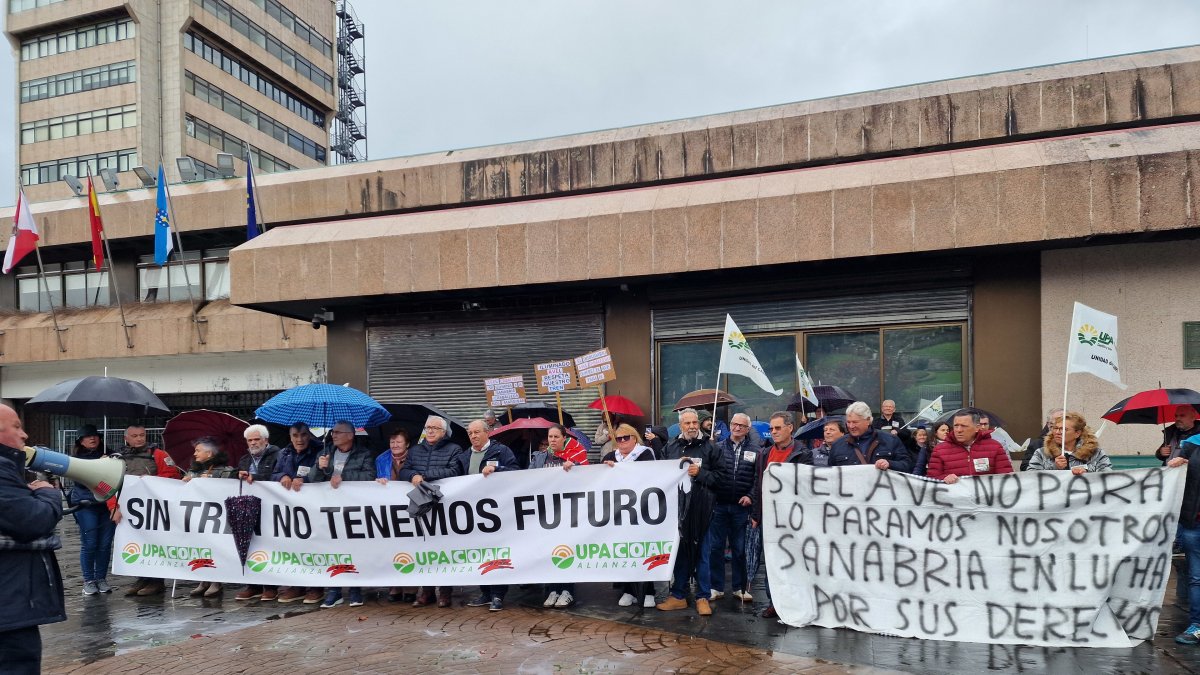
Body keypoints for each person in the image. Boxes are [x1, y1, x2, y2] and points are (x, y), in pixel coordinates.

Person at [0, 404, 65, 674]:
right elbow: (32, 522)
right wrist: (48, 493)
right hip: (9, 606)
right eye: (16, 426)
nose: (24, 434)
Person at [657, 408, 725, 617]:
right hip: (678, 511)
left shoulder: (711, 447)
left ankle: (702, 597)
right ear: (680, 426)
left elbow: (721, 478)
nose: (692, 427)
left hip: (703, 509)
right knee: (680, 555)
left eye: (695, 422)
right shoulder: (670, 447)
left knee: (703, 555)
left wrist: (701, 473)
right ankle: (678, 596)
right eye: (687, 423)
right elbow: (658, 475)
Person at [750, 411, 811, 619]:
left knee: (794, 560)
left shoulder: (803, 452)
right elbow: (758, 485)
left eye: (777, 428)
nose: (773, 432)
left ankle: (795, 600)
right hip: (769, 517)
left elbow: (807, 485)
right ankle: (773, 601)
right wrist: (756, 514)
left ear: (790, 428)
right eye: (771, 429)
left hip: (793, 518)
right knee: (772, 561)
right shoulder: (764, 454)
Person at [400, 416, 466, 608]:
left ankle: (445, 592)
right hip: (420, 506)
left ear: (443, 432)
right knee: (423, 548)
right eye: (427, 427)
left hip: (444, 505)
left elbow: (455, 472)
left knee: (444, 550)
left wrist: (425, 476)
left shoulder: (454, 449)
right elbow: (405, 470)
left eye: (434, 428)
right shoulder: (415, 451)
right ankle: (427, 591)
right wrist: (412, 475)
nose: (429, 431)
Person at [111, 424, 183, 597]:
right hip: (128, 510)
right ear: (126, 438)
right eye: (135, 436)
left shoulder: (158, 455)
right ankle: (142, 578)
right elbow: (108, 485)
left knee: (155, 544)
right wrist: (113, 507)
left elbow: (173, 476)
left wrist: (151, 480)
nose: (139, 439)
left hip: (154, 509)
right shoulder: (116, 458)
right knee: (134, 543)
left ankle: (156, 581)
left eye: (142, 435)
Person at [311, 421, 377, 609]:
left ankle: (355, 589)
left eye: (338, 432)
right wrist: (319, 465)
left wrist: (344, 477)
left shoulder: (363, 453)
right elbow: (313, 480)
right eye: (333, 432)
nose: (334, 435)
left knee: (353, 548)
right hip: (329, 509)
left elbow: (369, 476)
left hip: (352, 509)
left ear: (350, 435)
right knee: (333, 548)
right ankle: (334, 591)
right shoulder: (325, 452)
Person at [459, 420, 519, 612]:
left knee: (496, 552)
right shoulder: (465, 456)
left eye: (477, 432)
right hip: (473, 513)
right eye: (470, 433)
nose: (473, 436)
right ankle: (485, 592)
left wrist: (497, 469)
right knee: (478, 552)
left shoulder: (501, 451)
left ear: (487, 433)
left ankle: (498, 595)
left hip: (496, 512)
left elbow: (517, 473)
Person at [602, 423, 658, 608]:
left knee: (644, 549)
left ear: (635, 438)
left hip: (642, 510)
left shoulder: (646, 454)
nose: (623, 441)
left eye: (627, 437)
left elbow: (650, 476)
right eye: (619, 439)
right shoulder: (611, 456)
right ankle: (628, 590)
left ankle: (649, 591)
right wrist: (607, 469)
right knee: (624, 550)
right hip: (619, 511)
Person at [270, 422, 324, 604]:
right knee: (293, 546)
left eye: (303, 435)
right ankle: (297, 586)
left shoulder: (320, 451)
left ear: (309, 435)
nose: (299, 439)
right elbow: (274, 473)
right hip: (291, 508)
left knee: (313, 546)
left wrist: (305, 479)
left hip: (314, 507)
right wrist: (282, 477)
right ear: (290, 436)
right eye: (295, 435)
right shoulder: (284, 453)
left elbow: (322, 474)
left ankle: (316, 587)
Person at [533, 424, 584, 608]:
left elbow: (587, 478)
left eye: (556, 436)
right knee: (548, 550)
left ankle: (567, 591)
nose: (552, 440)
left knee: (565, 551)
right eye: (550, 437)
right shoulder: (539, 458)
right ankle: (552, 590)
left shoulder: (574, 457)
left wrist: (576, 467)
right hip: (546, 512)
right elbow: (526, 479)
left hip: (567, 512)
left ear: (564, 438)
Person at [707, 413, 756, 604]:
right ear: (730, 425)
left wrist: (750, 496)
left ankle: (740, 588)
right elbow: (711, 475)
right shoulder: (717, 447)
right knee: (715, 548)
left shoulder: (755, 450)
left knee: (740, 549)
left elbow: (757, 478)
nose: (737, 428)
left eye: (742, 426)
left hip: (741, 507)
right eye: (734, 424)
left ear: (747, 429)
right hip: (719, 505)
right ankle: (716, 587)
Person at [184, 437, 236, 598]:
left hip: (217, 516)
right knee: (200, 546)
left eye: (198, 450)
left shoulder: (226, 471)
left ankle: (216, 581)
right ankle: (203, 579)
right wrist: (186, 481)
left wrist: (211, 482)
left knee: (215, 546)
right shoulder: (194, 471)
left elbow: (229, 488)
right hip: (198, 515)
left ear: (210, 453)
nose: (194, 453)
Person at [234, 424, 281, 601]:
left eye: (256, 439)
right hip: (249, 507)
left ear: (265, 440)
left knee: (269, 545)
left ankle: (270, 586)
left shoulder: (278, 455)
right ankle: (253, 585)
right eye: (249, 440)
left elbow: (276, 476)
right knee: (250, 543)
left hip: (271, 508)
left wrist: (257, 478)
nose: (253, 443)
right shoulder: (245, 459)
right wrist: (237, 475)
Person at [68, 424, 116, 595]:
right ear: (80, 441)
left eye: (95, 435)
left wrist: (109, 464)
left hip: (107, 505)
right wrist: (99, 467)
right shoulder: (76, 459)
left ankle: (101, 578)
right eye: (87, 436)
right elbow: (83, 480)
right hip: (86, 505)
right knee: (90, 544)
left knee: (104, 544)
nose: (92, 438)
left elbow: (116, 479)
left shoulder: (110, 456)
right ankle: (89, 580)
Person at [375, 428, 416, 603]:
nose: (395, 445)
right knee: (391, 545)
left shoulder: (415, 456)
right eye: (392, 442)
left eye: (399, 442)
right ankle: (394, 585)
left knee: (411, 546)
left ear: (407, 444)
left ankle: (411, 588)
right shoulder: (381, 459)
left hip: (410, 507)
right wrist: (378, 481)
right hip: (390, 509)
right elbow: (374, 478)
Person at [926, 411, 1013, 483]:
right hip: (955, 501)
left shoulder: (995, 447)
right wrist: (944, 478)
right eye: (956, 425)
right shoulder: (940, 450)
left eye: (964, 426)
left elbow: (1007, 479)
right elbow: (931, 479)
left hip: (985, 501)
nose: (959, 430)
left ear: (977, 428)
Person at [828, 402, 912, 473]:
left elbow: (907, 465)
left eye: (855, 422)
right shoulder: (838, 445)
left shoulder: (890, 440)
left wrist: (890, 464)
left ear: (868, 420)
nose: (851, 426)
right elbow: (831, 474)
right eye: (848, 422)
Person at [1027, 412, 1112, 474]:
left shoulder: (1096, 453)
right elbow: (1031, 479)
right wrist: (1054, 467)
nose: (1057, 432)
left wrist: (1087, 473)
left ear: (1077, 433)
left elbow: (1108, 478)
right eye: (1055, 428)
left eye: (1063, 429)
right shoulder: (1041, 453)